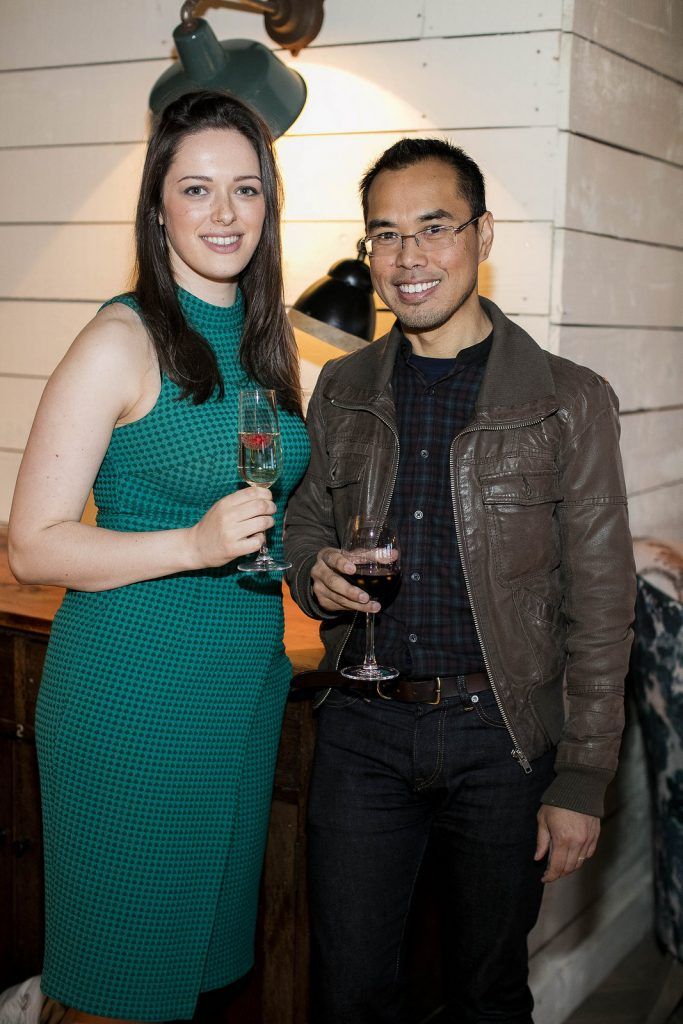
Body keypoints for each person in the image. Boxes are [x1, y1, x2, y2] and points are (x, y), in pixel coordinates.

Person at [284, 137, 636, 1024]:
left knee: (482, 995)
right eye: (386, 235)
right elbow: (304, 531)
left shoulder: (566, 398)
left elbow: (601, 602)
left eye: (434, 228)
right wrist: (311, 574)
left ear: (482, 234)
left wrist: (583, 778)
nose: (408, 258)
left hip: (503, 742)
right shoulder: (342, 388)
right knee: (348, 994)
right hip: (363, 728)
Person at [8, 90, 309, 1022]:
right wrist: (189, 543)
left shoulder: (267, 346)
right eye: (197, 189)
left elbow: (265, 509)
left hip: (237, 693)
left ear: (269, 204)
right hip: (134, 696)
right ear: (158, 208)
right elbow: (32, 545)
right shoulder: (119, 338)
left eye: (246, 189)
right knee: (117, 984)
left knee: (197, 979)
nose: (225, 214)